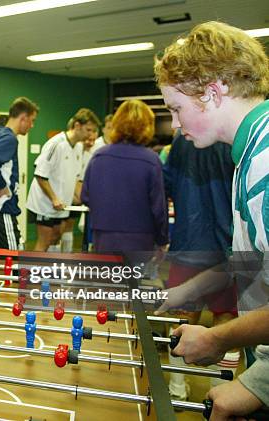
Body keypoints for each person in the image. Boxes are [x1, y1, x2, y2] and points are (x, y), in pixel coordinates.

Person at [154, 21, 268, 419]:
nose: (175, 124)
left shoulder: (263, 166)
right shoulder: (248, 152)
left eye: (176, 108)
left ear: (213, 92)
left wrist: (255, 380)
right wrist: (189, 291)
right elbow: (254, 262)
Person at [163, 131, 238, 400]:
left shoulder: (182, 138)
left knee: (183, 320)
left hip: (188, 243)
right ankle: (218, 395)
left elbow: (168, 183)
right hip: (225, 248)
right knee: (226, 324)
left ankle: (177, 389)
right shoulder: (234, 136)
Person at [81, 100, 168, 263]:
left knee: (107, 285)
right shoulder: (151, 160)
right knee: (132, 285)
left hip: (104, 237)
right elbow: (158, 208)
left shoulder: (99, 156)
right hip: (139, 238)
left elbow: (86, 196)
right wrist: (162, 240)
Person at [26, 108, 100, 251]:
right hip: (45, 204)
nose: (91, 135)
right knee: (45, 241)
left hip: (62, 204)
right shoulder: (56, 144)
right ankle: (31, 273)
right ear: (77, 126)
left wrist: (86, 199)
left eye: (93, 131)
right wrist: (54, 198)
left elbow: (76, 179)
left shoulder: (78, 147)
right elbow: (40, 175)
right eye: (88, 130)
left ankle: (50, 271)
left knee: (56, 236)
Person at [0, 97, 39, 250]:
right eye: (32, 120)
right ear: (23, 118)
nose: (32, 125)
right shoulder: (9, 138)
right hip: (0, 211)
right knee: (14, 262)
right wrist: (1, 186)